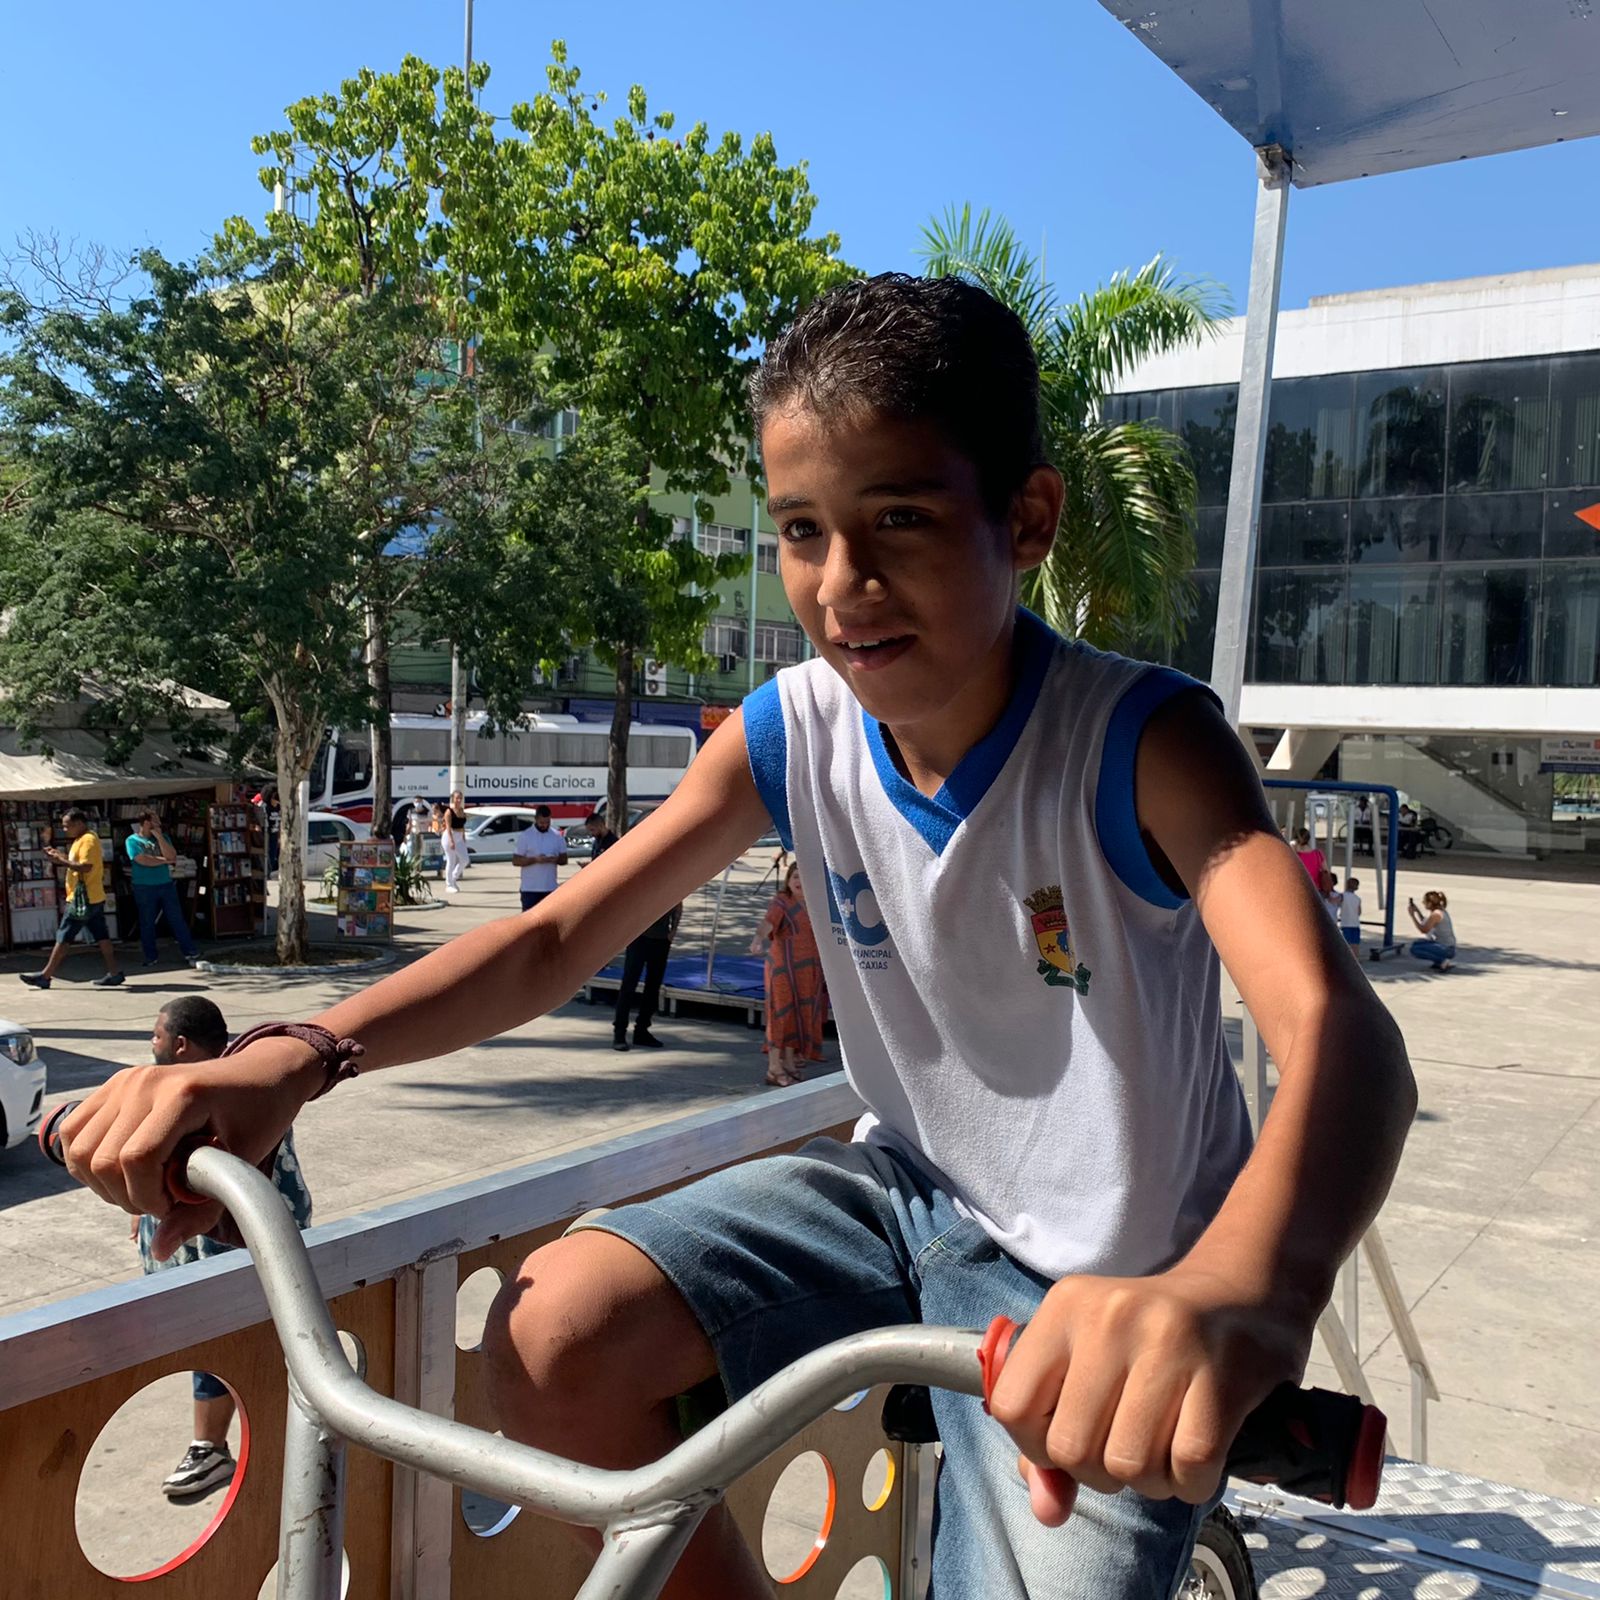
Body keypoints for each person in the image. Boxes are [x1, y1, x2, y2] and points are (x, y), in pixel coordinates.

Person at [55, 273, 1417, 1600]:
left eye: (899, 519)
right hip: (908, 1193)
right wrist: (300, 1053)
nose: (844, 582)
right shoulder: (790, 730)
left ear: (1029, 517)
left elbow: (1340, 1034)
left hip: (1118, 1289)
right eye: (802, 530)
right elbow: (556, 939)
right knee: (552, 1336)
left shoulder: (1139, 741)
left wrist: (1242, 1290)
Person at [131, 997, 313, 1499]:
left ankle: (217, 1448)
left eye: (156, 1034)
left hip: (239, 1236)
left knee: (234, 1339)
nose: (152, 1043)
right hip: (204, 1238)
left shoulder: (225, 1091)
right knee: (214, 1339)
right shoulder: (206, 1085)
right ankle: (225, 1446)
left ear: (180, 1044)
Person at [21, 808, 124, 989]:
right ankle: (114, 973)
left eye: (67, 826)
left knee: (64, 936)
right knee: (102, 936)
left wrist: (61, 860)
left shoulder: (88, 840)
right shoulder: (80, 839)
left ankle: (45, 976)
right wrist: (59, 856)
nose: (65, 829)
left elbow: (85, 867)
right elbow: (76, 863)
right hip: (92, 897)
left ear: (79, 824)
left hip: (82, 899)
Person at [757, 863, 827, 1087]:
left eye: (802, 877)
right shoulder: (781, 902)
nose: (798, 881)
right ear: (787, 880)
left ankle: (788, 1060)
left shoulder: (814, 904)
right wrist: (757, 939)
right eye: (794, 876)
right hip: (782, 969)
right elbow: (769, 922)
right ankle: (773, 1067)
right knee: (780, 1014)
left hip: (806, 971)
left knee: (799, 1013)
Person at [125, 808, 199, 967]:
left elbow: (172, 856)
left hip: (165, 884)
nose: (159, 823)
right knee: (147, 921)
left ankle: (190, 951)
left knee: (176, 918)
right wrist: (165, 861)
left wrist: (159, 837)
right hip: (144, 886)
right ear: (146, 823)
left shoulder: (163, 838)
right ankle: (150, 956)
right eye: (156, 821)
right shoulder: (132, 841)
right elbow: (143, 860)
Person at [612, 902, 681, 1051]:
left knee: (653, 986)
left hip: (661, 939)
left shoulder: (668, 888)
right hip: (639, 937)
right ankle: (619, 1032)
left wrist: (673, 930)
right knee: (629, 985)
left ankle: (642, 1030)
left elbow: (678, 903)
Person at [511, 805, 567, 912]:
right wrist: (535, 860)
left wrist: (555, 859)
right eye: (542, 822)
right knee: (529, 920)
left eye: (547, 822)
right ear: (536, 819)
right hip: (530, 889)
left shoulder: (557, 836)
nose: (544, 825)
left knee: (550, 919)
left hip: (550, 888)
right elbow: (516, 860)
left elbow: (564, 859)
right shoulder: (526, 836)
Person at [1407, 889, 1456, 971]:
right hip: (1445, 946)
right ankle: (1439, 961)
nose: (1423, 903)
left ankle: (1442, 961)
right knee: (1417, 943)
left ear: (1430, 903)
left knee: (1415, 949)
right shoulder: (1439, 911)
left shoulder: (1436, 914)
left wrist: (1412, 916)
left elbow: (1424, 929)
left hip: (1446, 948)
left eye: (1425, 901)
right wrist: (1417, 911)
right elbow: (1427, 922)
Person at [441, 791, 468, 894]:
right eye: (457, 798)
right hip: (450, 836)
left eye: (460, 798)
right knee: (451, 860)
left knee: (465, 859)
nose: (459, 800)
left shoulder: (461, 810)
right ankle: (449, 884)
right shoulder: (449, 811)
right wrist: (451, 841)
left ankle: (453, 877)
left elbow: (462, 826)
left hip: (459, 837)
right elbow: (448, 827)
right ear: (453, 799)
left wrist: (463, 836)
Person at [1339, 876, 1363, 949]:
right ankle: (1355, 955)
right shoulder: (1357, 898)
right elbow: (1359, 912)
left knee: (1346, 944)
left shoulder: (1343, 896)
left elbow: (1334, 901)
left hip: (1346, 923)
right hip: (1355, 924)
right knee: (1355, 943)